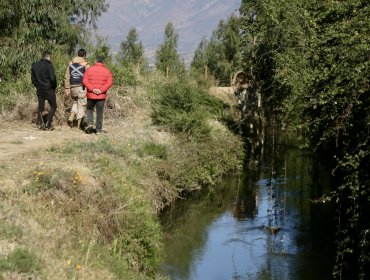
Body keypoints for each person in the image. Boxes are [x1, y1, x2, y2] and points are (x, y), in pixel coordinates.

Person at [83, 56, 113, 135]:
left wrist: (92, 89)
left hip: (91, 95)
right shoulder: (107, 71)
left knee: (90, 109)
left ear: (95, 61)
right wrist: (101, 90)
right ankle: (98, 130)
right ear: (103, 62)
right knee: (100, 112)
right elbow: (109, 83)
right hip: (101, 96)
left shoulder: (89, 70)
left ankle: (90, 124)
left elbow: (85, 81)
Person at [31, 51, 57, 130]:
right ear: (48, 57)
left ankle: (40, 124)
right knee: (54, 106)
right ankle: (48, 123)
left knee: (40, 107)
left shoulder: (34, 65)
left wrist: (37, 86)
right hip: (49, 89)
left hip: (40, 89)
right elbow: (52, 78)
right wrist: (54, 86)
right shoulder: (49, 65)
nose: (51, 59)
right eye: (50, 58)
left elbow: (33, 79)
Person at [64, 48, 90, 129]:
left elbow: (67, 76)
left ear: (77, 54)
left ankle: (71, 116)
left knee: (75, 102)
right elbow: (89, 76)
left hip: (72, 87)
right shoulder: (86, 65)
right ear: (84, 56)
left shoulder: (70, 63)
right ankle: (78, 126)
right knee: (82, 105)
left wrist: (67, 87)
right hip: (81, 87)